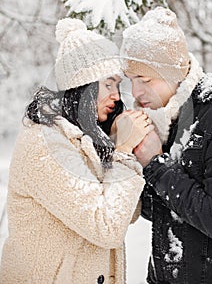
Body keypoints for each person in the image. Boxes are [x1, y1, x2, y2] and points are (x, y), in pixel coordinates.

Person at [0, 18, 153, 284]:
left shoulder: (85, 139)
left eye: (118, 85)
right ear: (81, 87)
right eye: (108, 84)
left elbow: (128, 212)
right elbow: (106, 226)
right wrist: (124, 152)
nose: (117, 96)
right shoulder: (44, 145)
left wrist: (122, 145)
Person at [120, 6, 212, 284]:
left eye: (145, 80)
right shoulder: (163, 115)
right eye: (131, 80)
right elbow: (160, 210)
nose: (135, 92)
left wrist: (156, 166)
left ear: (173, 73)